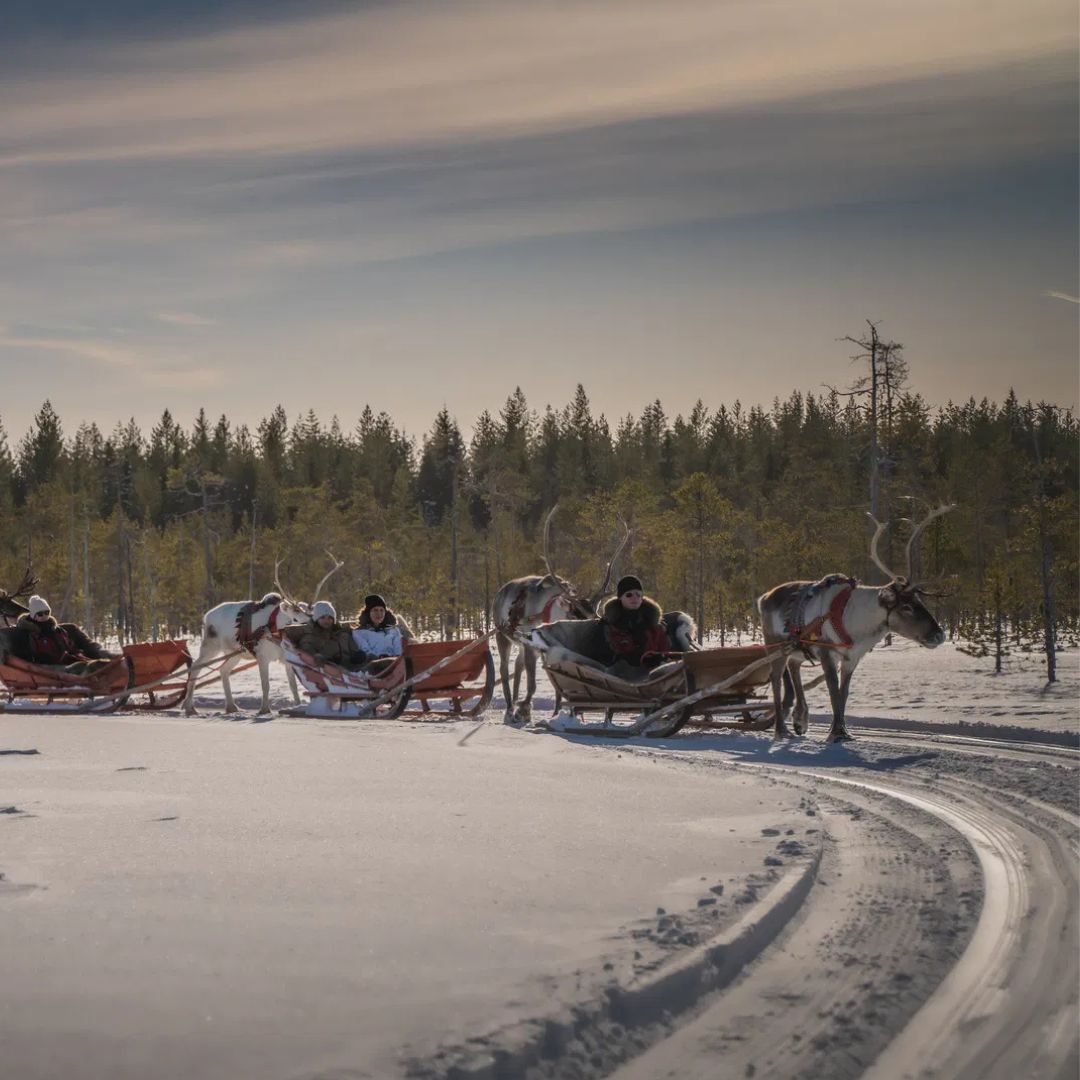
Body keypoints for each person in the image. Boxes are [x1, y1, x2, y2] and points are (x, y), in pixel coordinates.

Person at [6, 595, 116, 673]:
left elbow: (69, 646)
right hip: (49, 668)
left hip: (70, 660)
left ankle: (117, 669)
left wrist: (77, 654)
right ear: (33, 616)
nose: (44, 616)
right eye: (40, 614)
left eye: (47, 612)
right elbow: (32, 657)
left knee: (97, 664)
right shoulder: (28, 634)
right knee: (87, 668)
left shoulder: (57, 630)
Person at [601, 576, 669, 676]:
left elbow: (665, 648)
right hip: (620, 678)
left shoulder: (653, 624)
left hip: (654, 676)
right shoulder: (609, 626)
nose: (635, 598)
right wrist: (622, 659)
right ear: (620, 597)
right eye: (629, 595)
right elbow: (603, 655)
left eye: (638, 594)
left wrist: (659, 658)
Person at [292, 601, 365, 668]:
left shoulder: (343, 635)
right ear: (316, 619)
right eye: (322, 617)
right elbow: (307, 650)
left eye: (330, 618)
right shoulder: (310, 636)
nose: (326, 621)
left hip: (354, 671)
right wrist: (317, 657)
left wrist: (359, 656)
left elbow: (355, 650)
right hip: (330, 672)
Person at [352, 594, 413, 659]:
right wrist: (380, 658)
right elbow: (366, 651)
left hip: (395, 662)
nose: (379, 614)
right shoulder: (359, 632)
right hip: (374, 663)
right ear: (368, 613)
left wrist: (397, 658)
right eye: (375, 610)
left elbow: (398, 649)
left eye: (381, 610)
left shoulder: (393, 630)